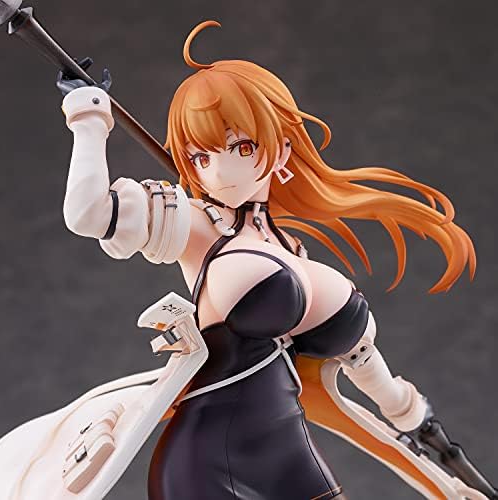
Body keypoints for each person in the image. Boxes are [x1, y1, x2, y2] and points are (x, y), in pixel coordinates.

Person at [57, 19, 483, 500]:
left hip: (288, 455)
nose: (220, 170)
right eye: (199, 158)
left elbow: (359, 355)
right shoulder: (197, 226)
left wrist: (409, 416)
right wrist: (89, 114)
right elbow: (88, 213)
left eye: (240, 147)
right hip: (200, 462)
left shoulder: (291, 250)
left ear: (281, 148)